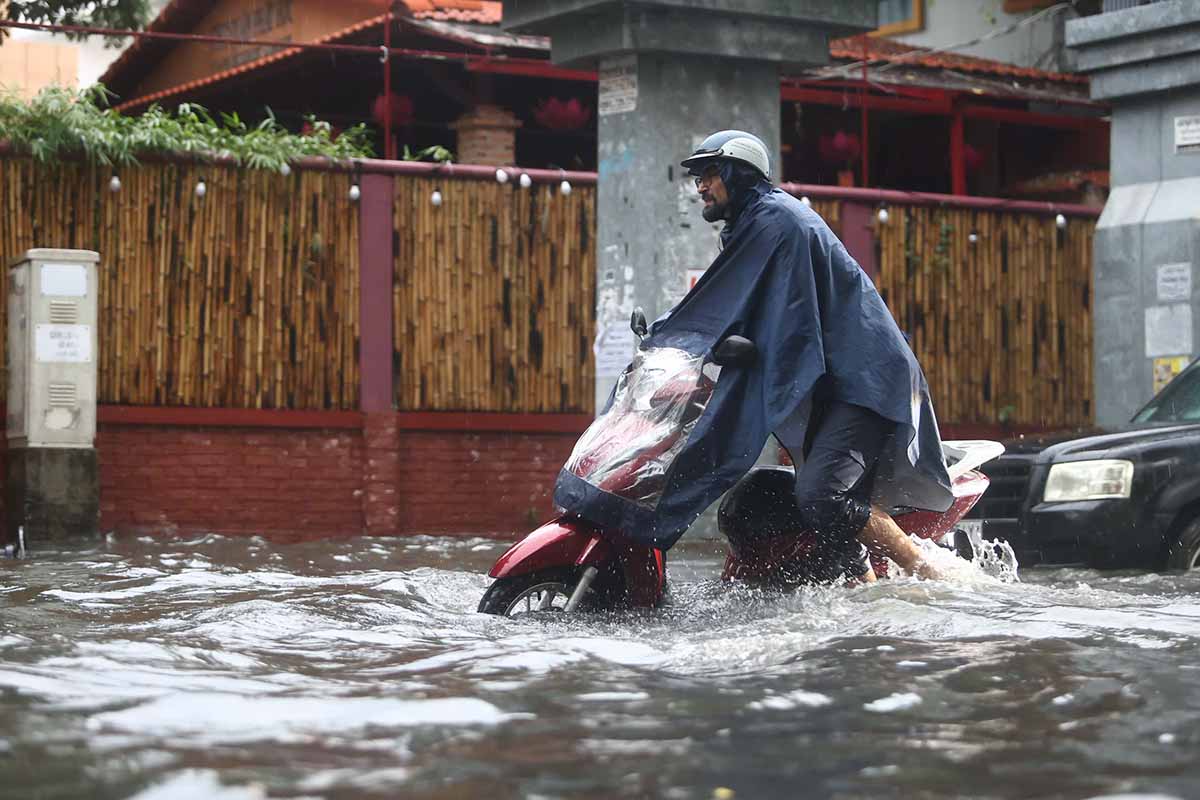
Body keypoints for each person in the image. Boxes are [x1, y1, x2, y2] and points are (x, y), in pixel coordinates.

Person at [680, 129, 951, 583]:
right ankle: (868, 591)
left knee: (821, 494)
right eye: (698, 178)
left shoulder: (776, 221)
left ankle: (934, 579)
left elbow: (723, 307)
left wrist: (683, 332)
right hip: (832, 382)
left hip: (865, 378)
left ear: (737, 173)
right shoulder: (751, 227)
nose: (701, 186)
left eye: (709, 174)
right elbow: (737, 305)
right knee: (811, 505)